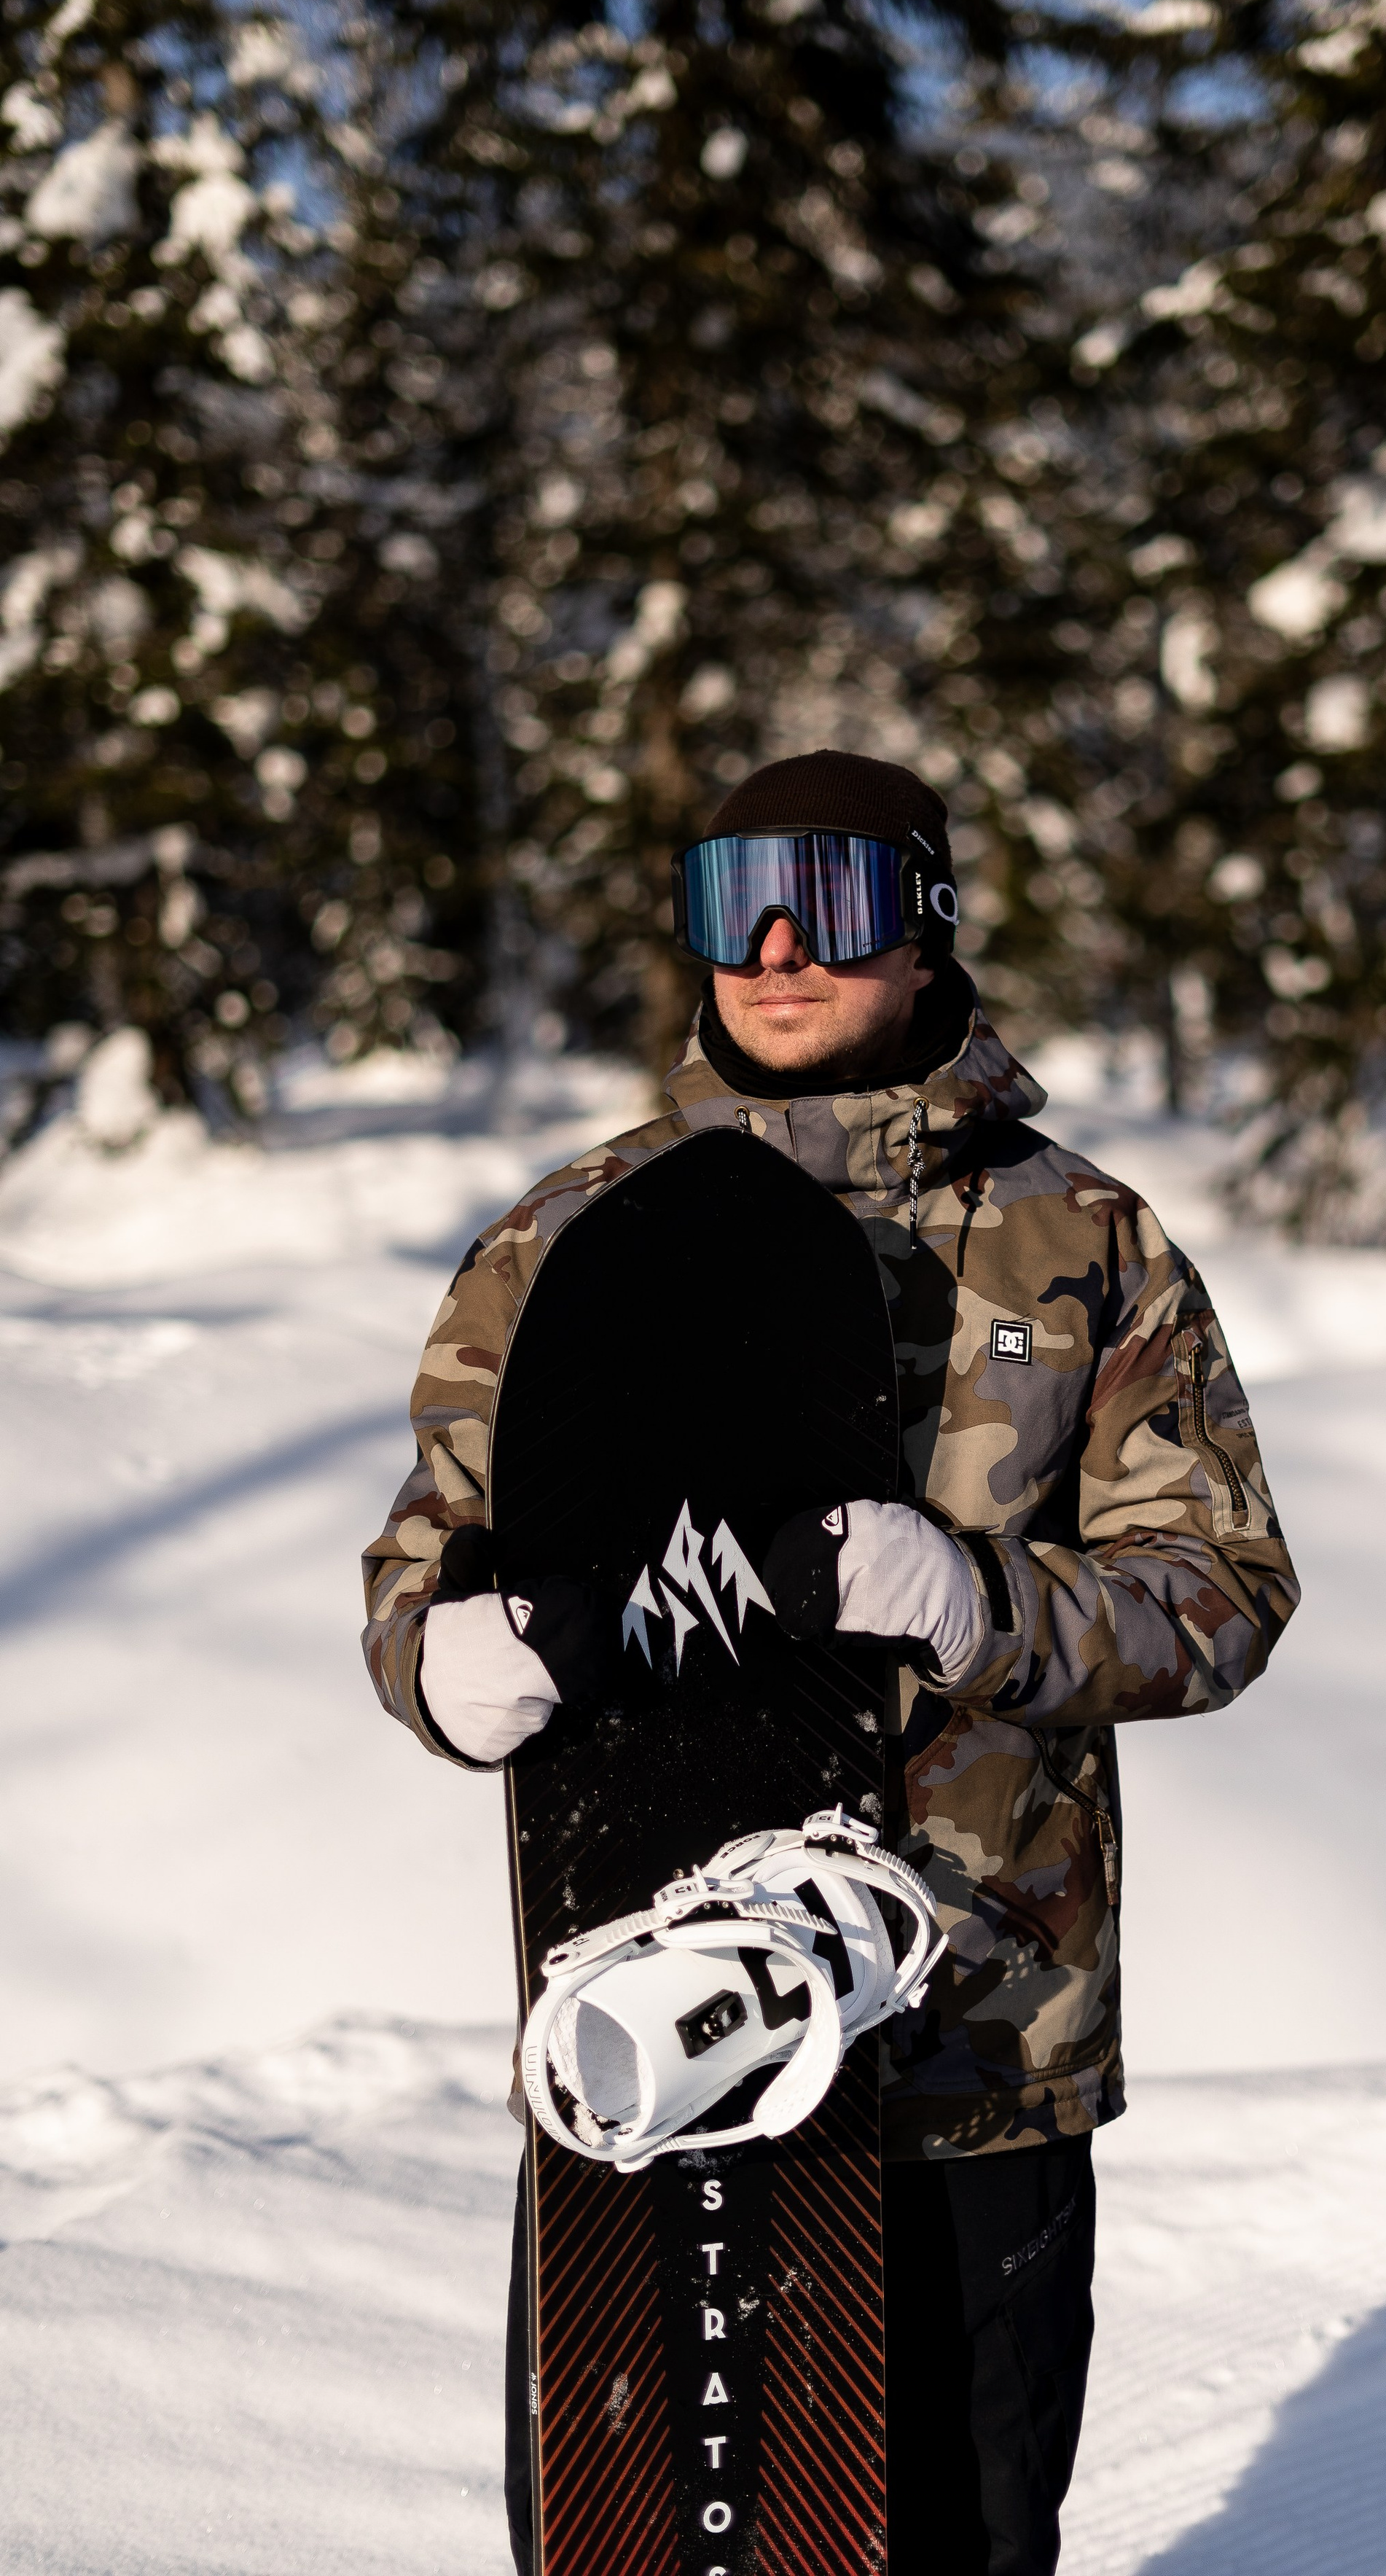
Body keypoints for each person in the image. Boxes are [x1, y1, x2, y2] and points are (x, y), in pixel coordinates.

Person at [361, 749, 1300, 2576]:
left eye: (834, 898)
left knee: (956, 2536)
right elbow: (426, 1559)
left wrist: (978, 1609)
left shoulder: (1082, 1243)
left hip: (971, 2037)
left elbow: (1222, 1590)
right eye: (734, 905)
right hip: (658, 2033)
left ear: (928, 926)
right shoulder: (565, 1240)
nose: (778, 948)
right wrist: (437, 1664)